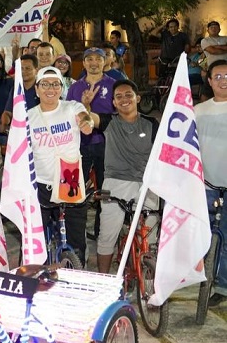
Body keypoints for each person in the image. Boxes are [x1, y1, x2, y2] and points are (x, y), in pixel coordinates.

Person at [27, 67, 99, 264]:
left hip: (70, 181)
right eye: (45, 84)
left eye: (55, 84)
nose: (50, 88)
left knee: (75, 241)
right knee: (37, 241)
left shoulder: (72, 107)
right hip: (40, 185)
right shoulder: (28, 117)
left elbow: (85, 118)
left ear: (61, 87)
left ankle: (76, 274)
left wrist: (86, 124)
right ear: (37, 89)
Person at [95, 80, 159, 274]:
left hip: (146, 184)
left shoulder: (151, 123)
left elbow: (162, 153)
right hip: (115, 183)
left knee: (150, 237)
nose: (124, 100)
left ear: (137, 98)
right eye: (119, 97)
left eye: (128, 95)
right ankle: (103, 280)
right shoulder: (109, 121)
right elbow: (90, 120)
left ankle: (149, 284)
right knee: (107, 235)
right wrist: (86, 106)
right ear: (113, 102)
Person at [67, 47, 116, 240]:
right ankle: (75, 232)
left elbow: (117, 115)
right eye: (89, 59)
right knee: (76, 188)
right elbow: (69, 115)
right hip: (80, 144)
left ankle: (101, 231)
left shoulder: (113, 84)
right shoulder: (75, 87)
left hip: (106, 144)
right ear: (84, 63)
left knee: (105, 189)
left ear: (105, 62)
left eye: (98, 59)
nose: (94, 63)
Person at [196, 59, 227, 306]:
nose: (222, 81)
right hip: (206, 185)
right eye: (217, 76)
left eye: (226, 76)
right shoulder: (198, 111)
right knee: (206, 237)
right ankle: (206, 279)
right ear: (209, 80)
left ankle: (222, 285)